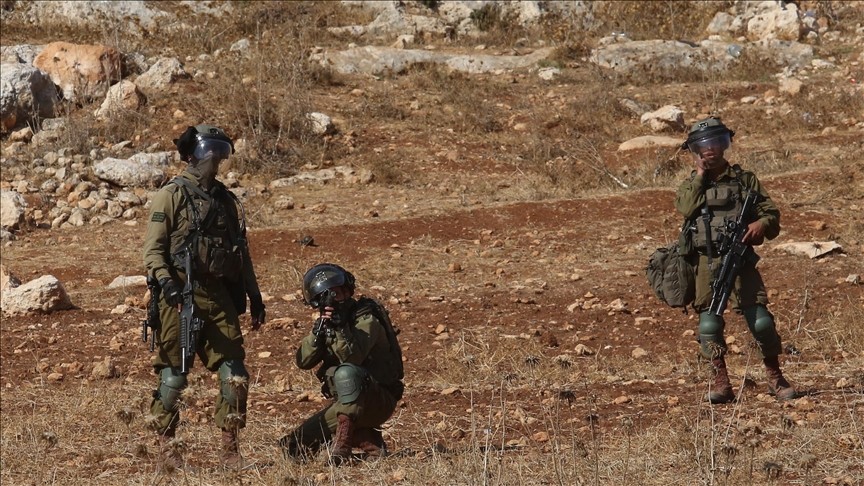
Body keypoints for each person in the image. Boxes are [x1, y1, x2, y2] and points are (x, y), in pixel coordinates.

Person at [142, 124, 266, 469]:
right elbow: (153, 251)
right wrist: (168, 285)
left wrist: (254, 296)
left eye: (218, 151)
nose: (213, 158)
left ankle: (230, 452)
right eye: (207, 151)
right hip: (178, 295)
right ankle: (166, 453)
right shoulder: (172, 194)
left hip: (217, 295)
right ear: (190, 155)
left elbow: (241, 253)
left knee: (234, 371)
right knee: (174, 375)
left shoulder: (226, 200)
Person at [675, 117, 797, 404]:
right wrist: (700, 176)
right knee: (709, 326)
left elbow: (771, 213)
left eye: (716, 142)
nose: (710, 150)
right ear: (695, 150)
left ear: (724, 144)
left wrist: (761, 225)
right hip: (707, 261)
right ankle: (721, 383)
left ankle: (775, 377)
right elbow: (685, 207)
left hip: (740, 260)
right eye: (704, 145)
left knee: (762, 322)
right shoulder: (691, 185)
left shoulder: (745, 180)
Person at [279, 263, 404, 465]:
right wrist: (317, 333)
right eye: (324, 298)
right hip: (348, 405)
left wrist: (341, 328)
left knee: (346, 372)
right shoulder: (328, 323)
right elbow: (303, 361)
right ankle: (368, 441)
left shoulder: (366, 319)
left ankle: (342, 447)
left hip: (378, 400)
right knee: (293, 445)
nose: (332, 301)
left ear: (348, 291)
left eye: (336, 294)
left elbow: (352, 359)